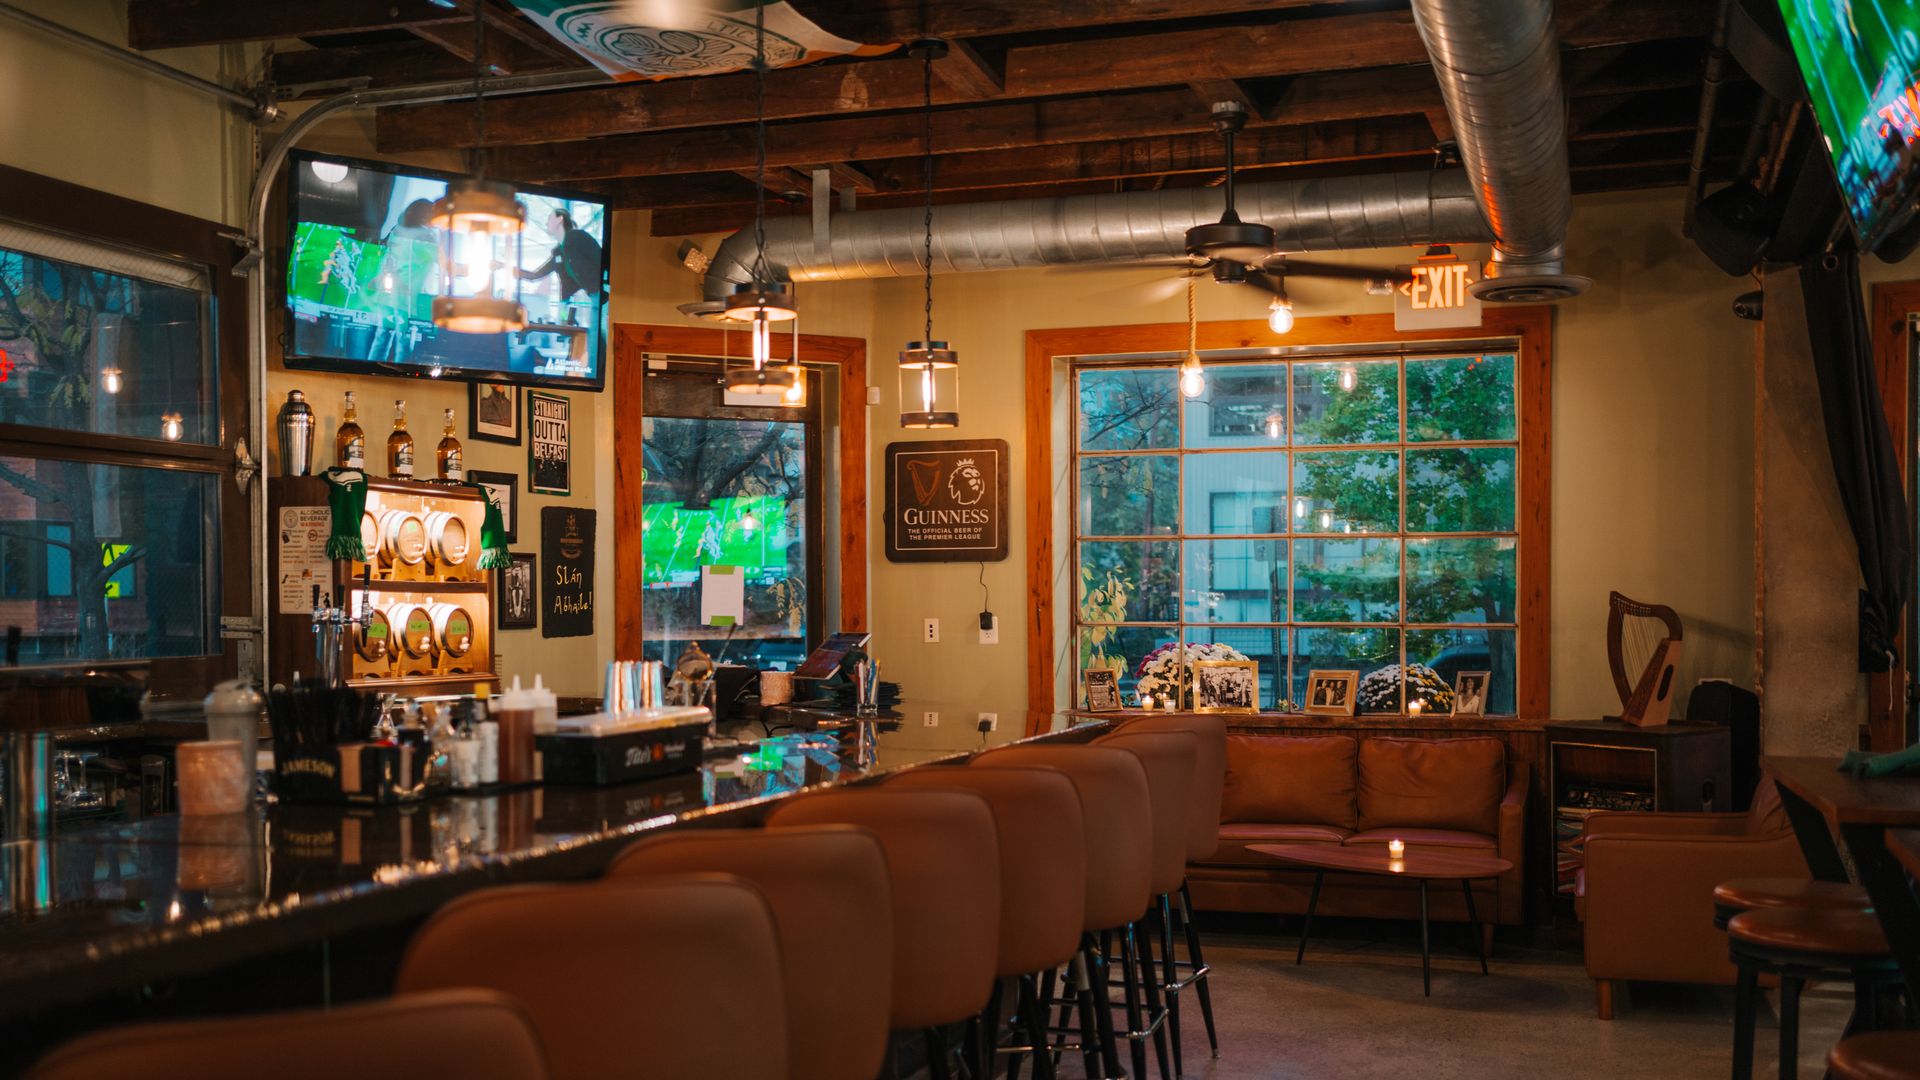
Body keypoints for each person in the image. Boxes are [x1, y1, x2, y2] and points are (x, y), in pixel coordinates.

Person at [518, 207, 603, 307]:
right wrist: (507, 268)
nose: (546, 223)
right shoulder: (558, 253)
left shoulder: (579, 237)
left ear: (559, 219)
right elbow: (535, 275)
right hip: (577, 303)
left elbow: (601, 259)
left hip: (600, 298)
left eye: (549, 219)